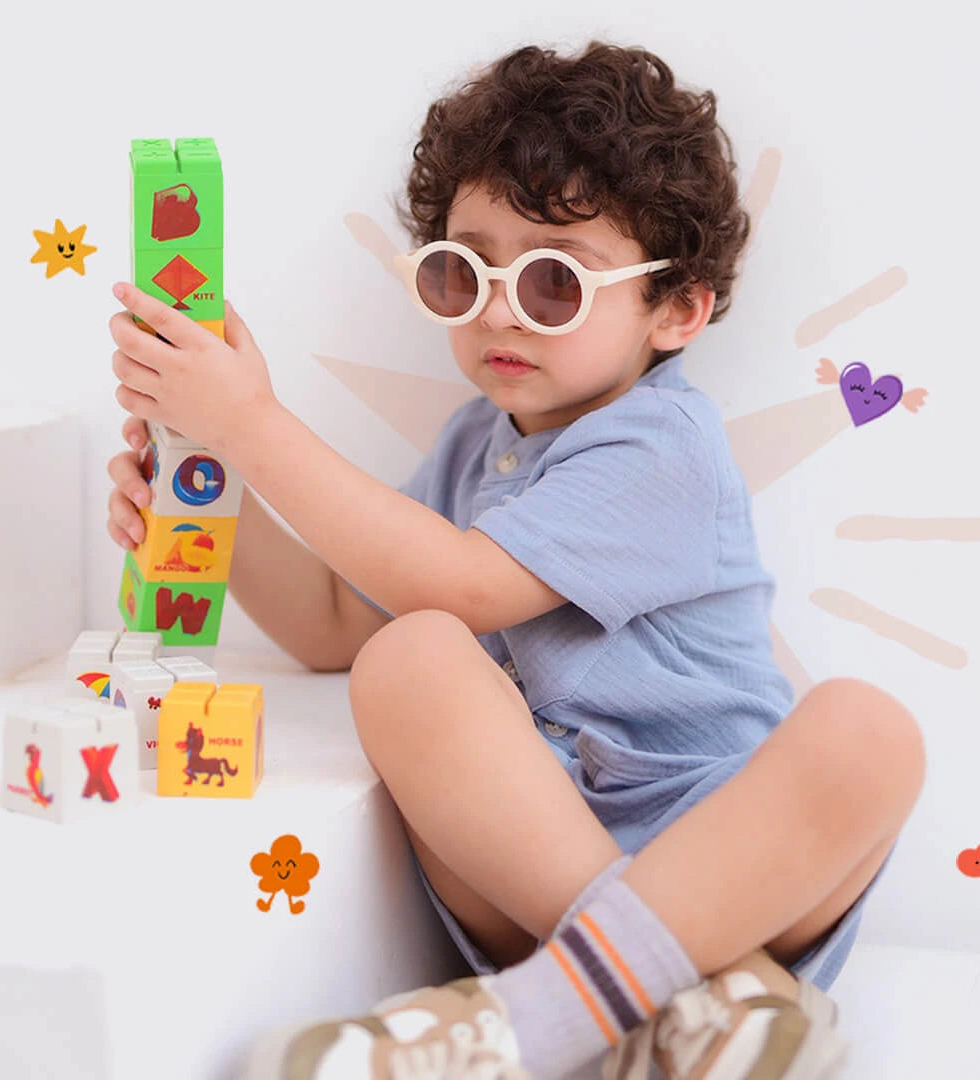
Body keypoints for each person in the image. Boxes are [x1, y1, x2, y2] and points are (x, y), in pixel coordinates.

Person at [106, 40, 925, 1080]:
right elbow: (333, 622)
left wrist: (255, 423)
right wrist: (207, 493)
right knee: (410, 658)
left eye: (552, 283)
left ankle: (539, 1018)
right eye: (464, 271)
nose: (498, 308)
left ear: (677, 310)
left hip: (737, 866)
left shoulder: (662, 445)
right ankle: (706, 1000)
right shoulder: (473, 444)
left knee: (869, 732)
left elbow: (460, 579)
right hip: (532, 866)